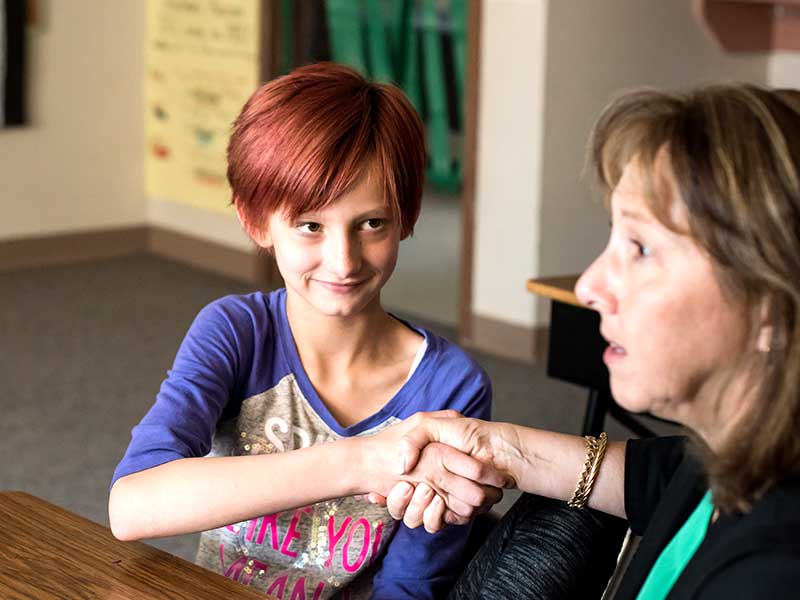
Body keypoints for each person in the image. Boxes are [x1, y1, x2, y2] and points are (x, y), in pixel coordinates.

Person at [379, 84, 800, 598]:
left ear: (772, 309)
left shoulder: (772, 572)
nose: (588, 286)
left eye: (641, 248)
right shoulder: (731, 454)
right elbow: (658, 475)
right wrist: (495, 449)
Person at [108, 63, 508, 600]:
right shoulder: (236, 332)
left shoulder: (451, 387)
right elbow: (132, 504)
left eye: (372, 224)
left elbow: (411, 585)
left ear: (407, 218)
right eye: (309, 225)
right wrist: (360, 462)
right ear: (256, 222)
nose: (342, 262)